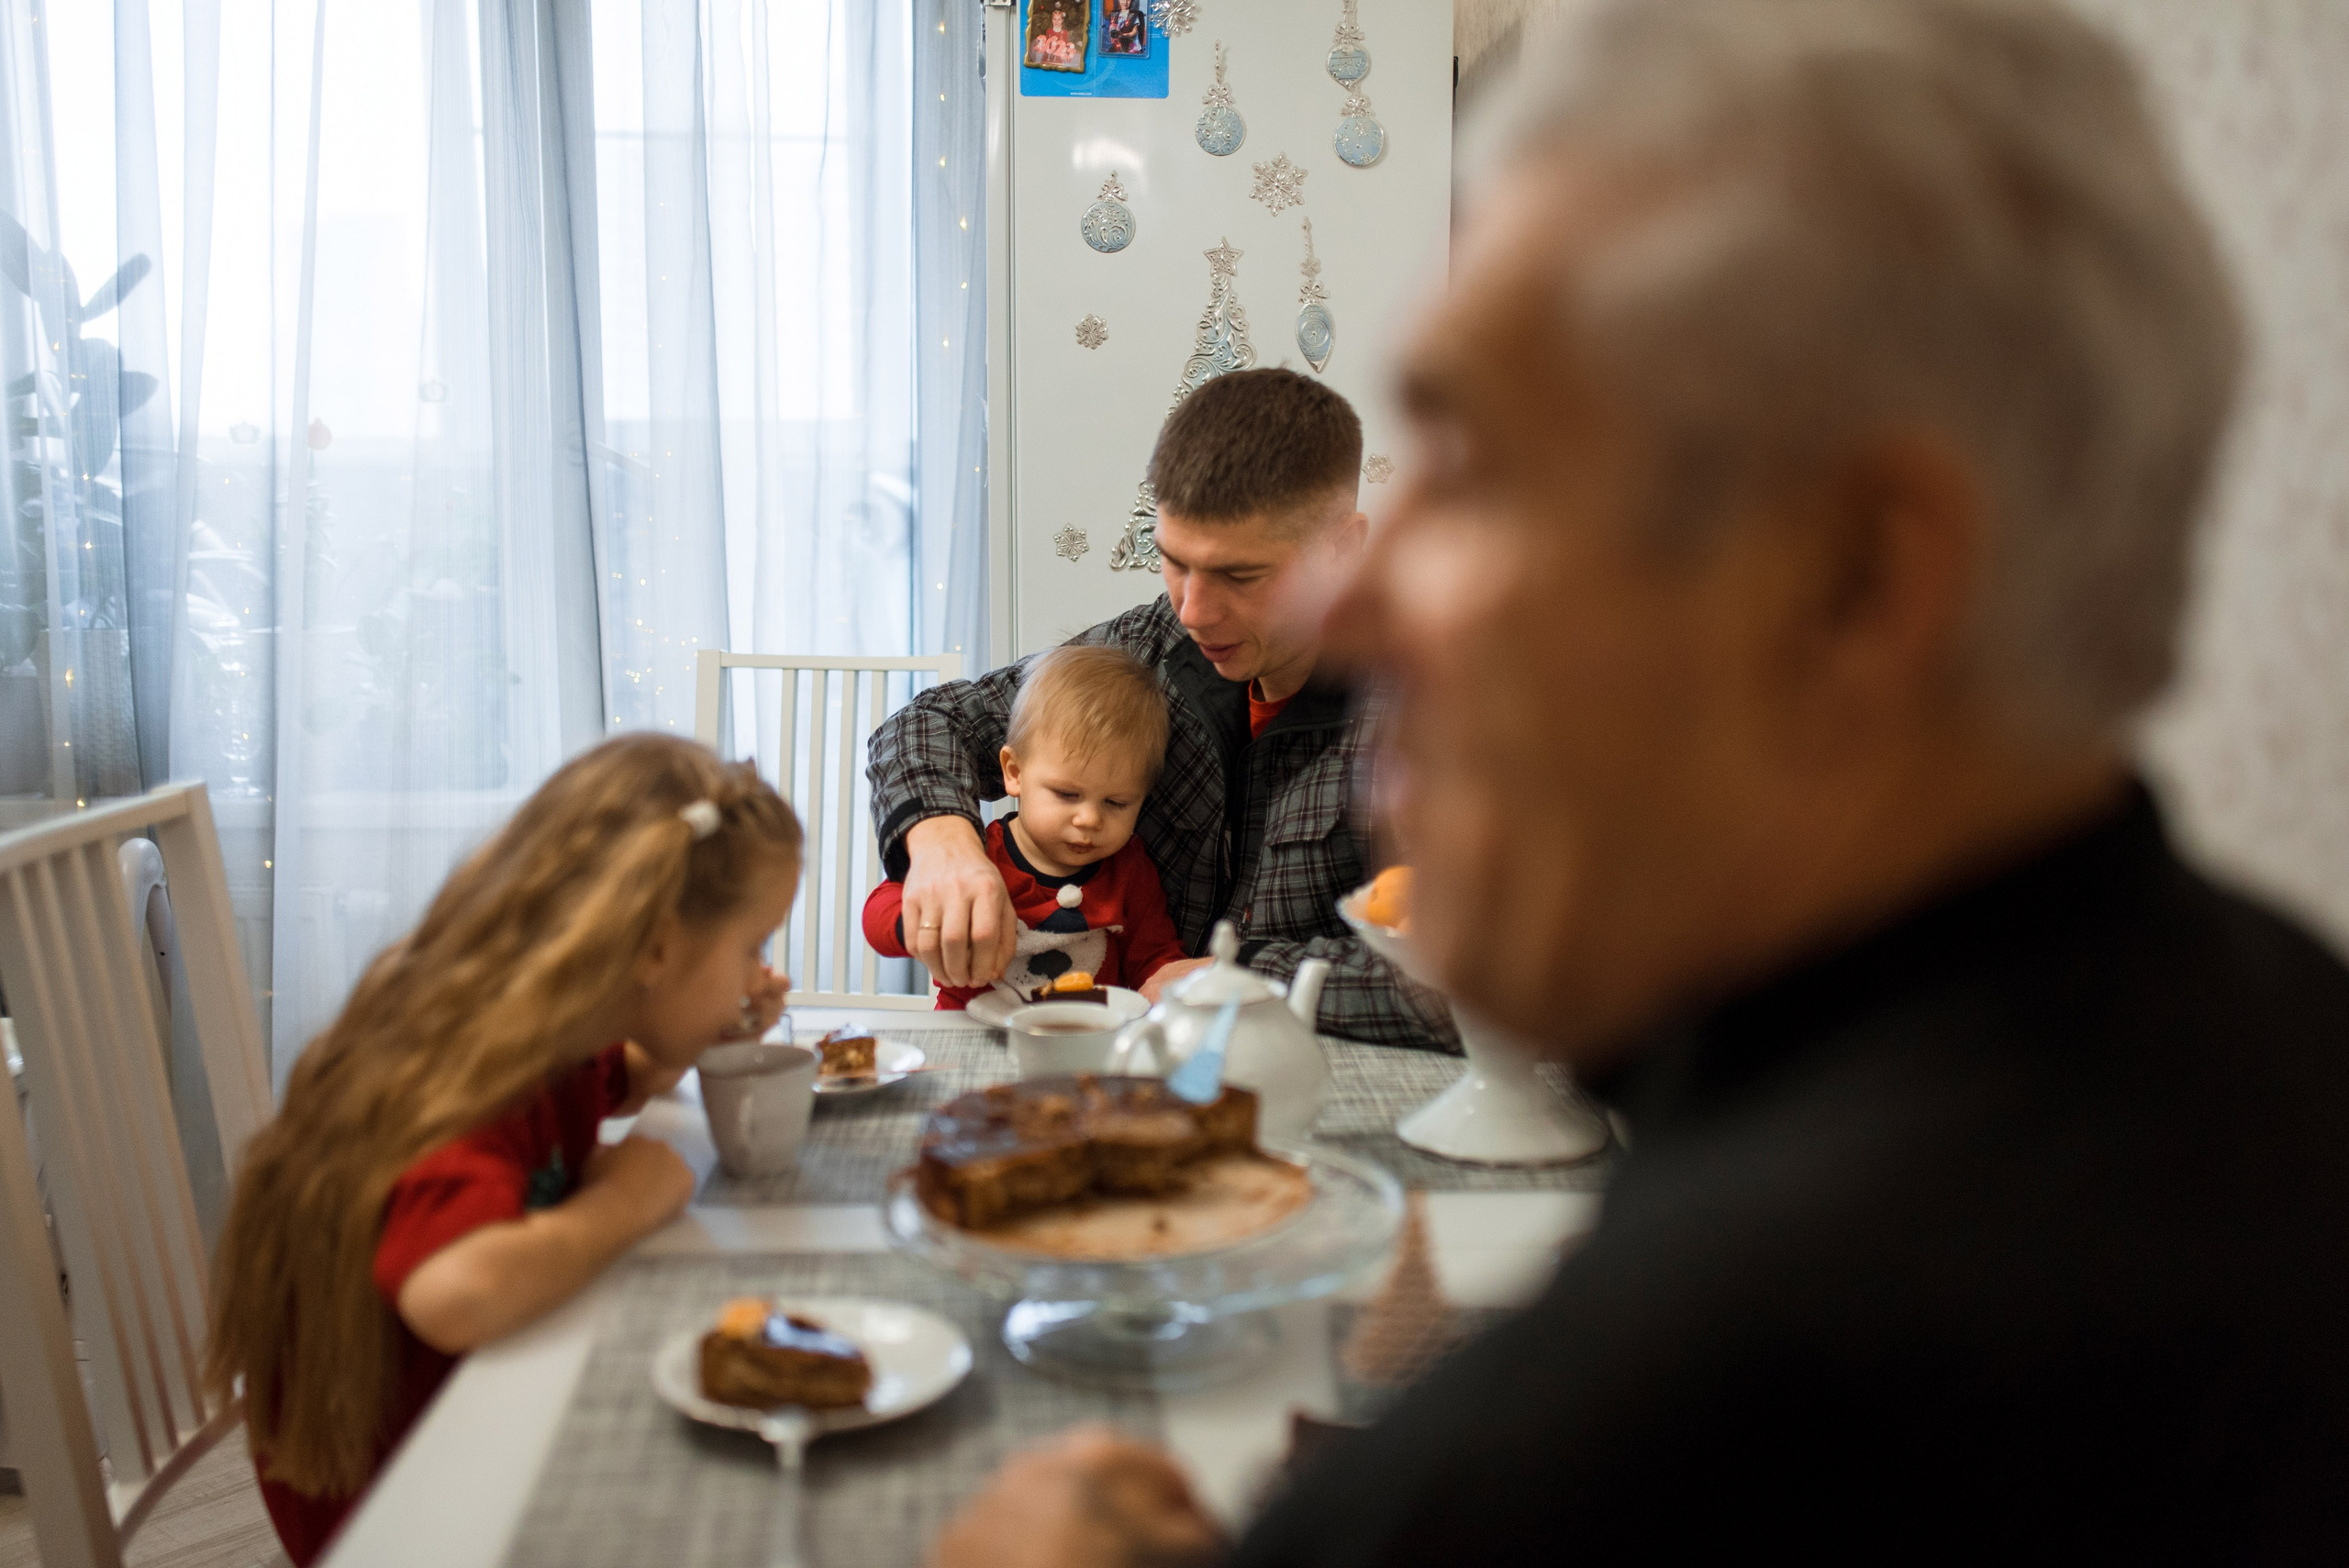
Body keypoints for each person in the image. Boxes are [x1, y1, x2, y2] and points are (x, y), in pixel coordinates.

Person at [930, 0, 2349, 1562]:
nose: (1362, 598)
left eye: (1478, 469)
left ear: (1862, 580)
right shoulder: (2275, 1025)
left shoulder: (1682, 1394)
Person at [206, 736, 800, 1563]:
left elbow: (628, 1075)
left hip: (470, 1411)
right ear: (657, 948)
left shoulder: (542, 1024)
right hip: (408, 1496)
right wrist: (627, 1197)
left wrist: (714, 1018)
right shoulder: (463, 1072)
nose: (758, 973)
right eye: (752, 947)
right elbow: (461, 1289)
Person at [867, 369, 1453, 1048]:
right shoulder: (1151, 645)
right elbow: (928, 725)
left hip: (1315, 1087)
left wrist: (1243, 973)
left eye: (1241, 575)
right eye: (1173, 560)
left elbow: (1465, 979)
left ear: (1343, 549)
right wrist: (943, 844)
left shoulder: (1429, 710)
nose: (1193, 610)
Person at [864, 643, 1190, 1008]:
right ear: (1014, 772)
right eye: (1067, 794)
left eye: (1116, 803)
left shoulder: (1129, 868)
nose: (1090, 819)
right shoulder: (980, 854)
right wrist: (926, 922)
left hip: (1082, 1042)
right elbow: (877, 915)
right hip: (973, 1036)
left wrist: (1176, 985)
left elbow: (1153, 959)